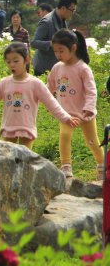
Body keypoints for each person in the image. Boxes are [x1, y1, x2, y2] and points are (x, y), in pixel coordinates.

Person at [0, 42, 79, 149]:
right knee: (8, 159)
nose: (12, 65)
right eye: (8, 61)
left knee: (24, 161)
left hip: (27, 131)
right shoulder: (4, 83)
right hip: (8, 130)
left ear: (26, 60)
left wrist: (66, 118)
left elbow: (51, 103)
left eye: (16, 61)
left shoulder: (35, 84)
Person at [47, 29, 103, 180]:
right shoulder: (57, 67)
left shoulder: (83, 68)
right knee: (64, 135)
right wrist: (44, 99)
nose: (58, 55)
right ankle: (66, 166)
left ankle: (102, 165)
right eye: (55, 51)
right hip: (65, 113)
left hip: (85, 113)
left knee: (92, 141)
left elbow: (92, 91)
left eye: (61, 51)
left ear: (73, 48)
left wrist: (89, 108)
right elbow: (49, 87)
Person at [31, 0, 77, 76]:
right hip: (43, 68)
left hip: (55, 66)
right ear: (63, 8)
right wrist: (52, 43)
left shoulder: (62, 20)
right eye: (72, 10)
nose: (73, 13)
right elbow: (34, 43)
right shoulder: (47, 22)